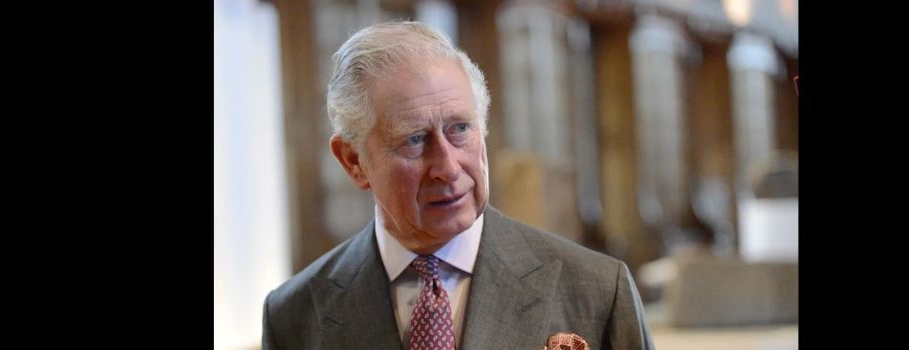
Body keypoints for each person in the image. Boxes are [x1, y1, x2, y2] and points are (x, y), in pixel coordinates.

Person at [262, 21, 653, 350]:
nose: (447, 168)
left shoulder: (598, 290)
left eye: (460, 129)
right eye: (414, 139)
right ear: (353, 161)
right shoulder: (294, 316)